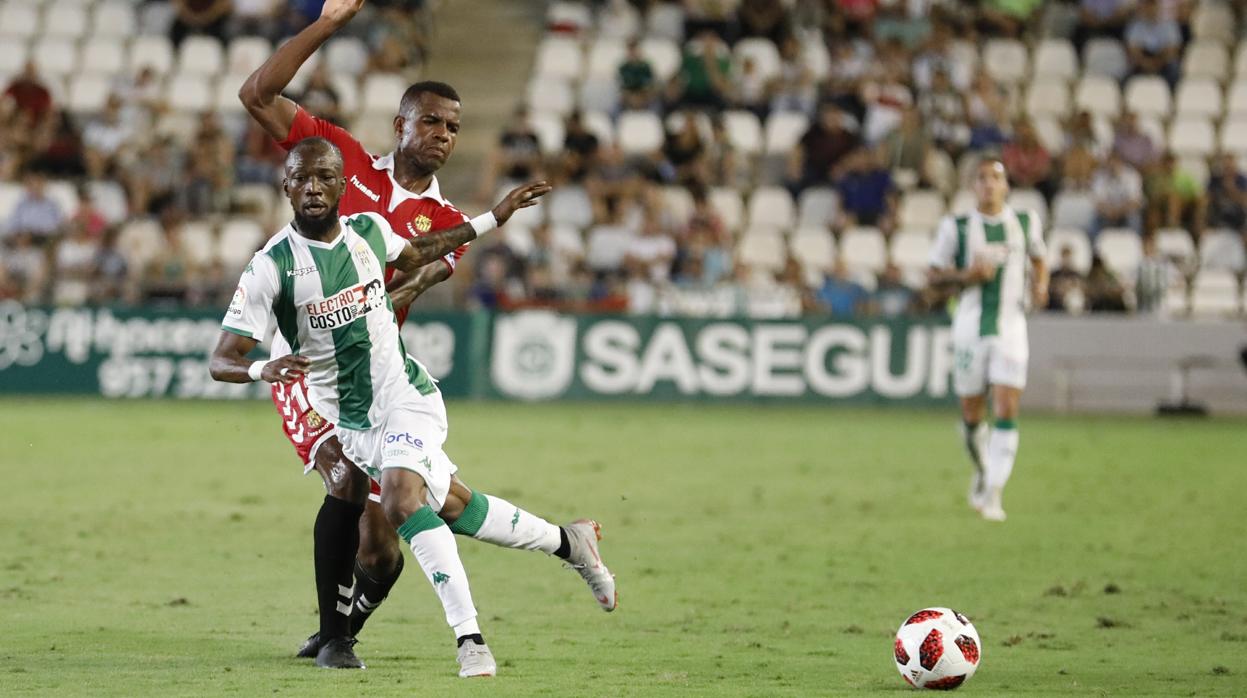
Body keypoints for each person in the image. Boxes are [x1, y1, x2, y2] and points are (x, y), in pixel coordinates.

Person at [237, 0, 601, 669]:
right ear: (398, 123)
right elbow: (256, 93)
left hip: (375, 371)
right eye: (430, 120)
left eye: (454, 127)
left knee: (385, 540)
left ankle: (345, 626)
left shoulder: (442, 218)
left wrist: (364, 302)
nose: (442, 134)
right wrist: (327, 25)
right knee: (343, 477)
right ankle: (335, 638)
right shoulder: (341, 161)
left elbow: (415, 284)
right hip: (307, 365)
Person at [928, 159, 1049, 522]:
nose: (989, 185)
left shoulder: (1025, 223)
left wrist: (1040, 286)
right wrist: (969, 274)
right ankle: (982, 470)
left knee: (1007, 406)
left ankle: (995, 490)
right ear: (972, 187)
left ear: (1007, 185)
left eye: (996, 177)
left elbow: (1040, 259)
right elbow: (933, 276)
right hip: (968, 326)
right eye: (981, 179)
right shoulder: (958, 227)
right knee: (971, 413)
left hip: (1011, 327)